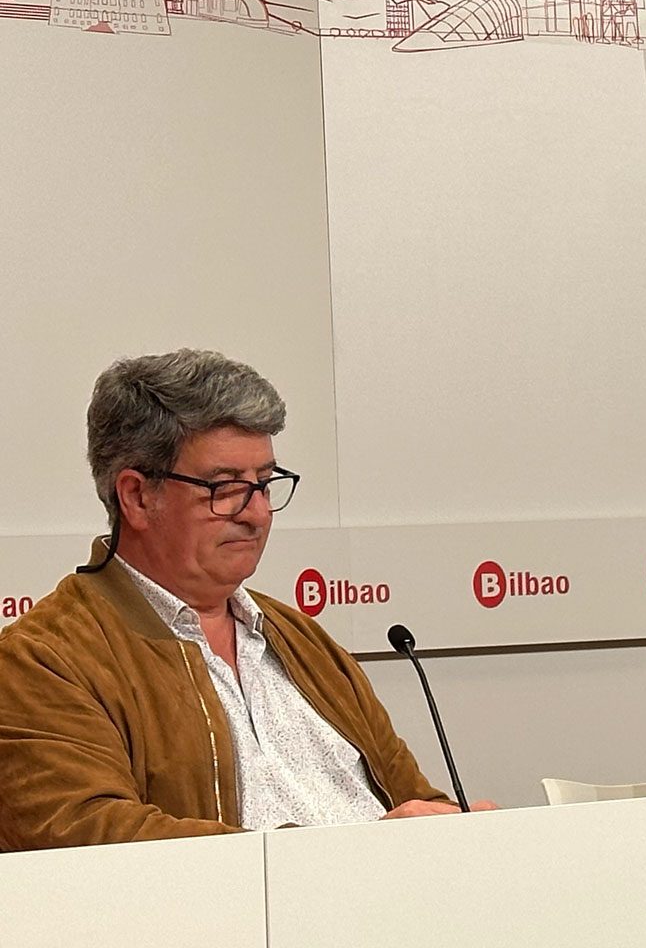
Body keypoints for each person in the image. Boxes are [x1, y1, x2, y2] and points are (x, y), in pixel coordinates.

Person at [0, 349, 488, 851]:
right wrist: (349, 855)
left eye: (264, 484)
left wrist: (452, 825)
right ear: (138, 496)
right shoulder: (43, 660)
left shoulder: (301, 639)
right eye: (226, 488)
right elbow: (84, 836)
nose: (256, 514)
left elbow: (411, 800)